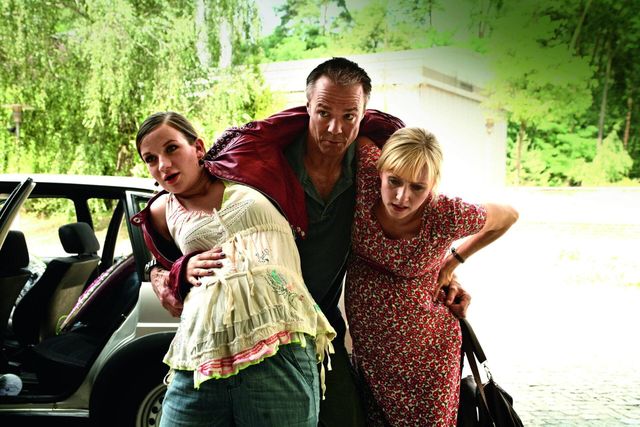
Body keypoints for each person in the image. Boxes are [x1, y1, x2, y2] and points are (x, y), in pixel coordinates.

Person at [139, 57, 471, 426]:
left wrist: (445, 266)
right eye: (324, 112)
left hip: (322, 320)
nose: (335, 128)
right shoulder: (260, 159)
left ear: (364, 114)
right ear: (307, 106)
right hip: (256, 323)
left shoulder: (371, 168)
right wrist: (165, 270)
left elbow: (413, 215)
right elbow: (186, 199)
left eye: (349, 116)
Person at [133, 111, 336, 426]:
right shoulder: (160, 211)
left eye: (172, 148)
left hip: (279, 342)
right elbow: (158, 267)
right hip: (201, 354)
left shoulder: (245, 155)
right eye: (151, 159)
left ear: (198, 148)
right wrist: (179, 270)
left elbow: (319, 113)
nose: (163, 164)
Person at [346, 128, 519, 426]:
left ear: (433, 185)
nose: (402, 196)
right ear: (380, 171)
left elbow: (509, 215)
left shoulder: (446, 214)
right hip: (372, 355)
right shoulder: (367, 179)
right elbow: (356, 127)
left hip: (428, 357)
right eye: (394, 181)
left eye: (418, 187)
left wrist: (453, 261)